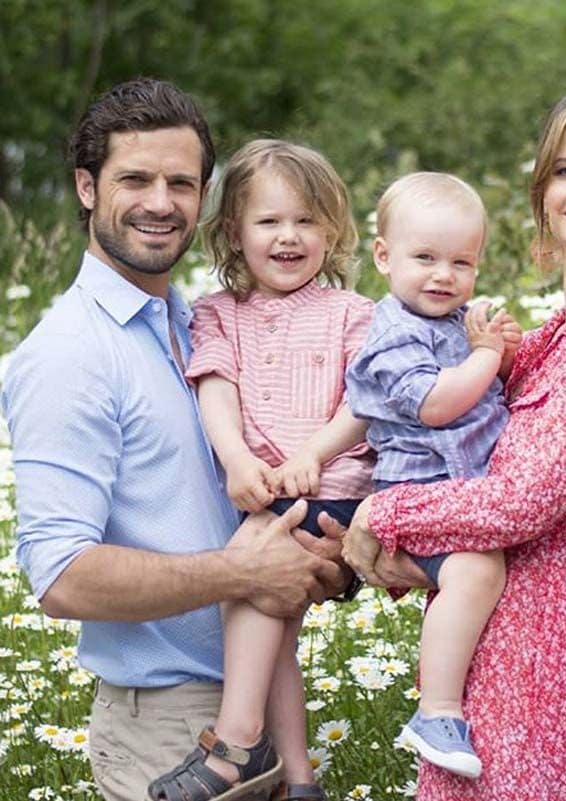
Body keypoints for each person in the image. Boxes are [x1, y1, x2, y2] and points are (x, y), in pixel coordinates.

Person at [0, 79, 355, 801]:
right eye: (135, 178)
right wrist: (245, 573)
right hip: (168, 732)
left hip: (258, 701)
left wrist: (328, 566)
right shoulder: (70, 353)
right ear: (86, 187)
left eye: (181, 182)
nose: (160, 201)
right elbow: (61, 576)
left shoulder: (199, 322)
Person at [341, 86, 566, 801]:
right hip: (490, 643)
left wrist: (382, 515)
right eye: (565, 169)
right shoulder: (561, 332)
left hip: (547, 651)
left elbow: (521, 504)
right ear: (542, 193)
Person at [146, 139, 376, 801]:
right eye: (269, 221)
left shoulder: (352, 315)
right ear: (233, 232)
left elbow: (367, 399)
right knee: (272, 630)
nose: (288, 236)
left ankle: (234, 744)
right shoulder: (220, 313)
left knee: (246, 579)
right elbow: (215, 385)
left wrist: (314, 454)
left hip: (327, 492)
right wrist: (238, 458)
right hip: (265, 490)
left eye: (306, 220)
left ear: (331, 230)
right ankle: (300, 778)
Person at [345, 172, 522, 778]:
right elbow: (437, 404)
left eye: (461, 261)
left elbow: (490, 386)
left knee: (481, 573)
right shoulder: (393, 333)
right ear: (384, 257)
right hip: (417, 492)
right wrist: (486, 357)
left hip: (460, 486)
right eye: (425, 258)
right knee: (475, 571)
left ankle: (450, 704)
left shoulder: (459, 321)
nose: (444, 275)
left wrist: (506, 351)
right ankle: (437, 711)